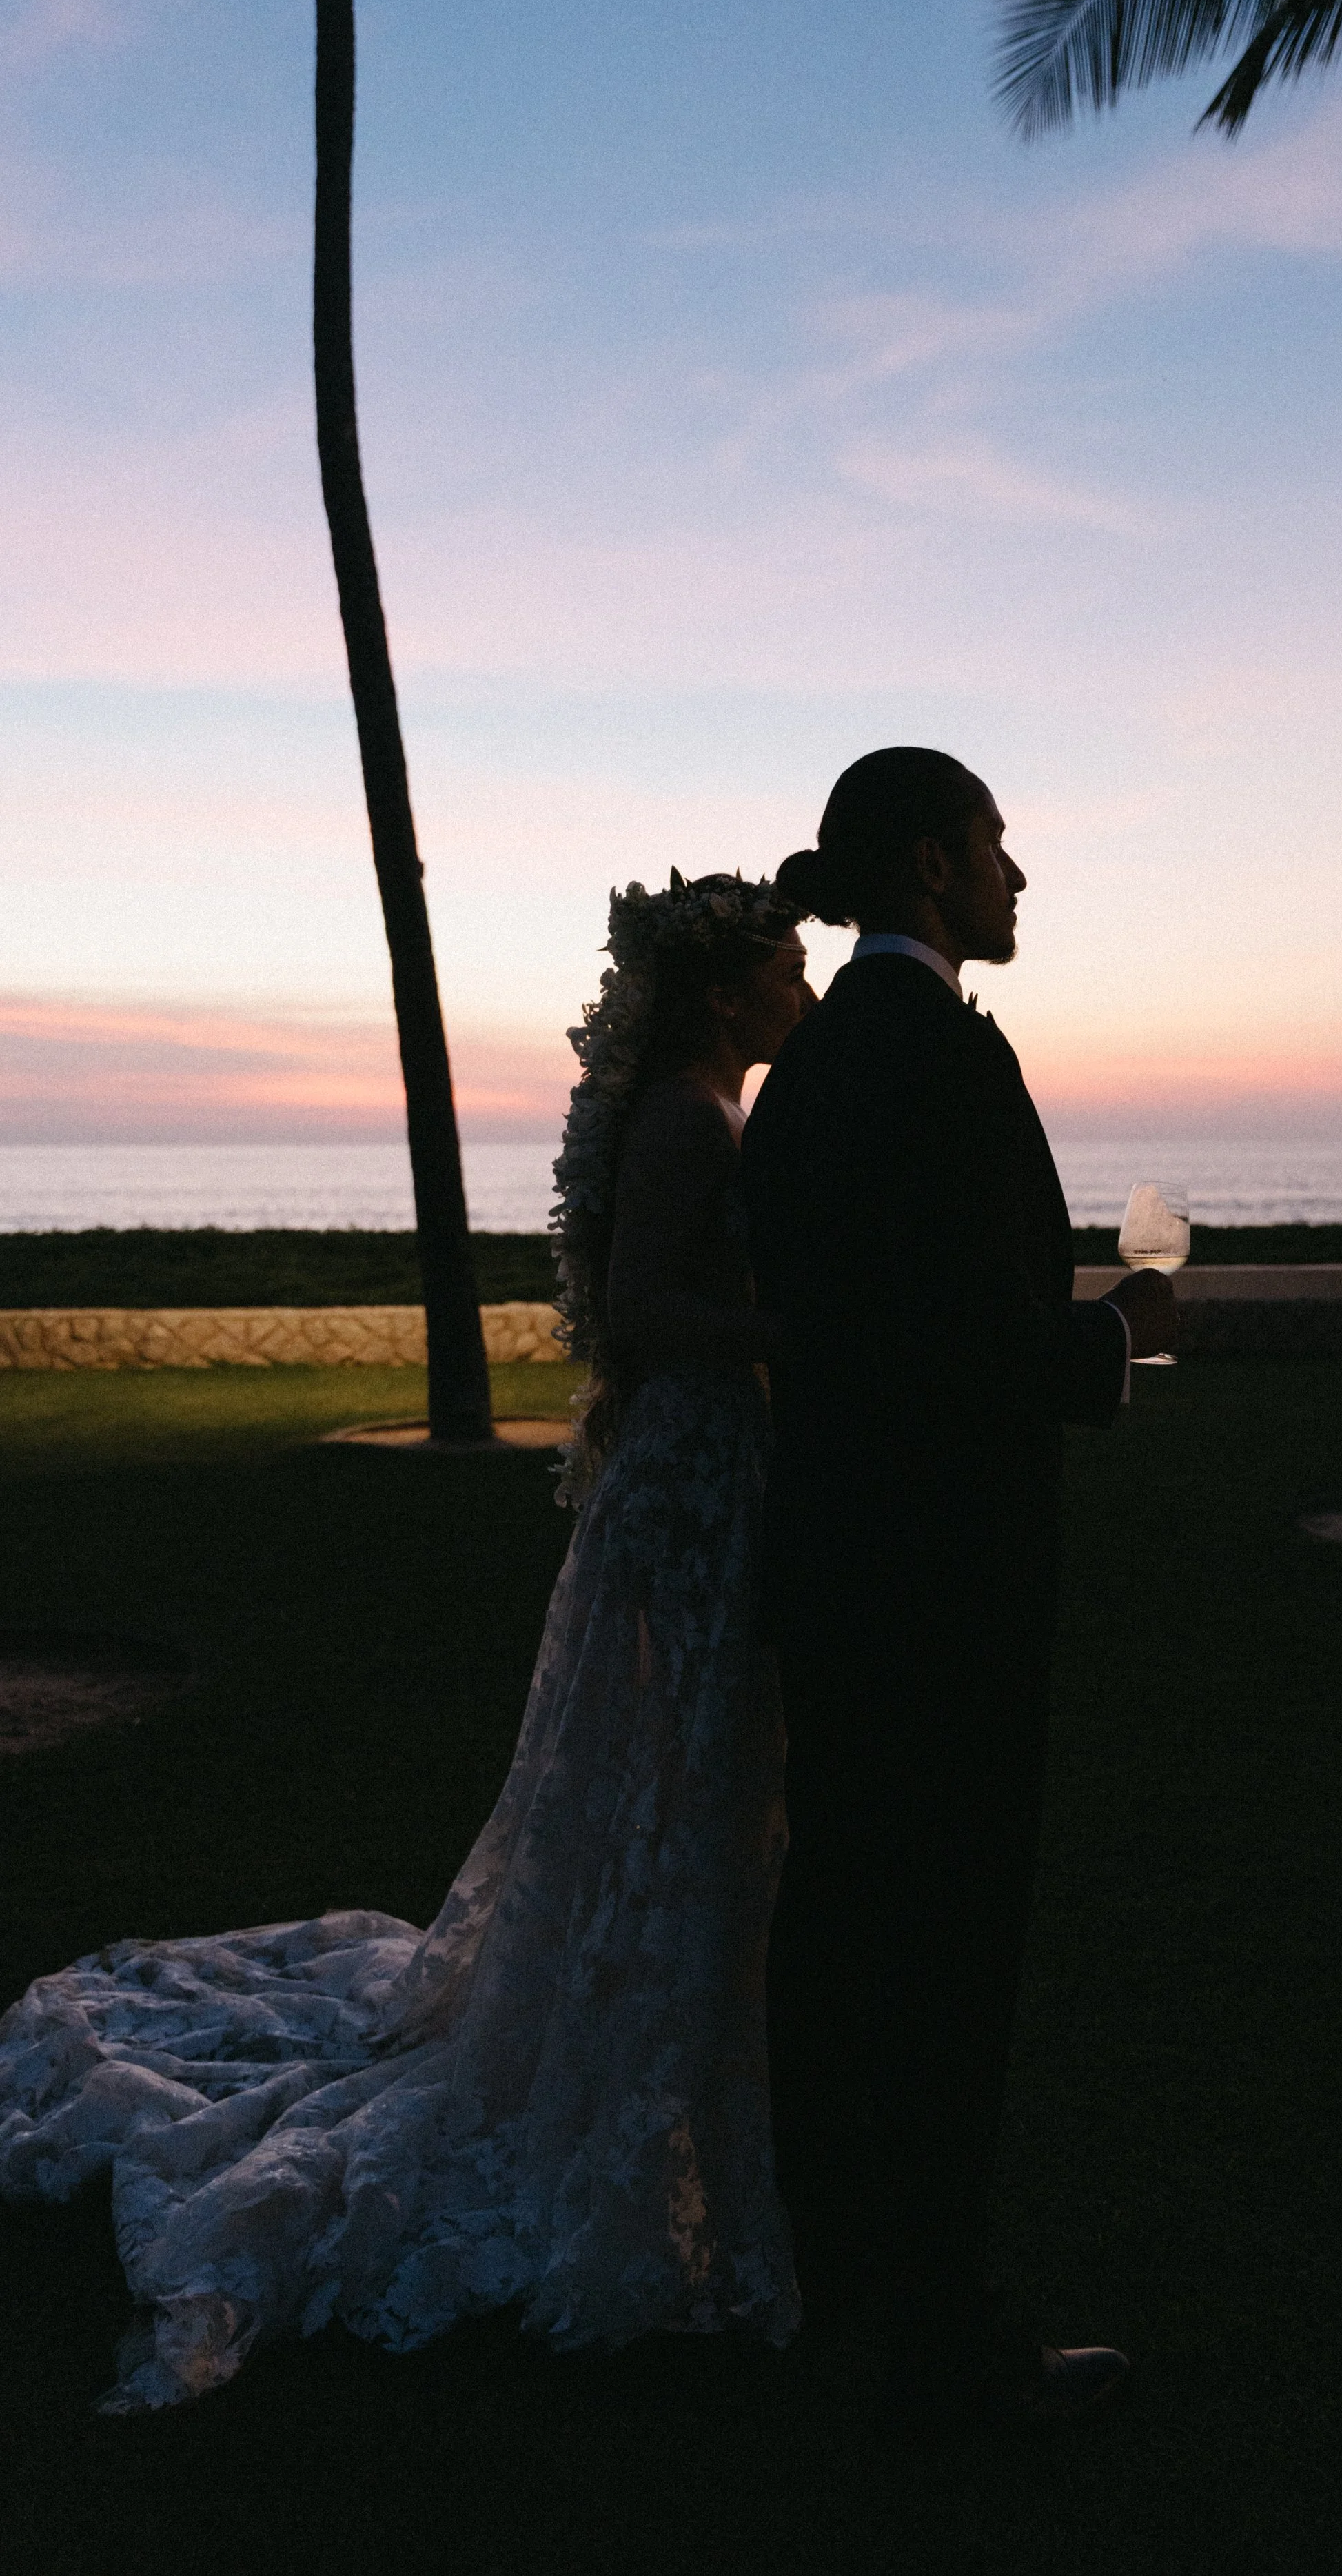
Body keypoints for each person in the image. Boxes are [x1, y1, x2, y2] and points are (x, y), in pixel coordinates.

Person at [0, 871, 814, 2412]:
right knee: (670, 1771)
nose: (802, 983)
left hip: (698, 1474)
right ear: (724, 993)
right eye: (784, 962)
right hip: (692, 1477)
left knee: (669, 1775)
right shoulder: (692, 1122)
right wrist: (807, 1333)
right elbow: (642, 1307)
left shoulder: (701, 1108)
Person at [741, 748, 1176, 2437]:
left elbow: (839, 1327)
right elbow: (956, 1347)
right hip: (946, 1583)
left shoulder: (810, 1069)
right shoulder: (933, 1058)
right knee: (943, 1951)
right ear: (929, 867)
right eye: (998, 846)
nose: (1018, 877)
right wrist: (1115, 1334)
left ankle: (831, 2276)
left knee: (844, 1927)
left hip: (842, 1569)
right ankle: (945, 2342)